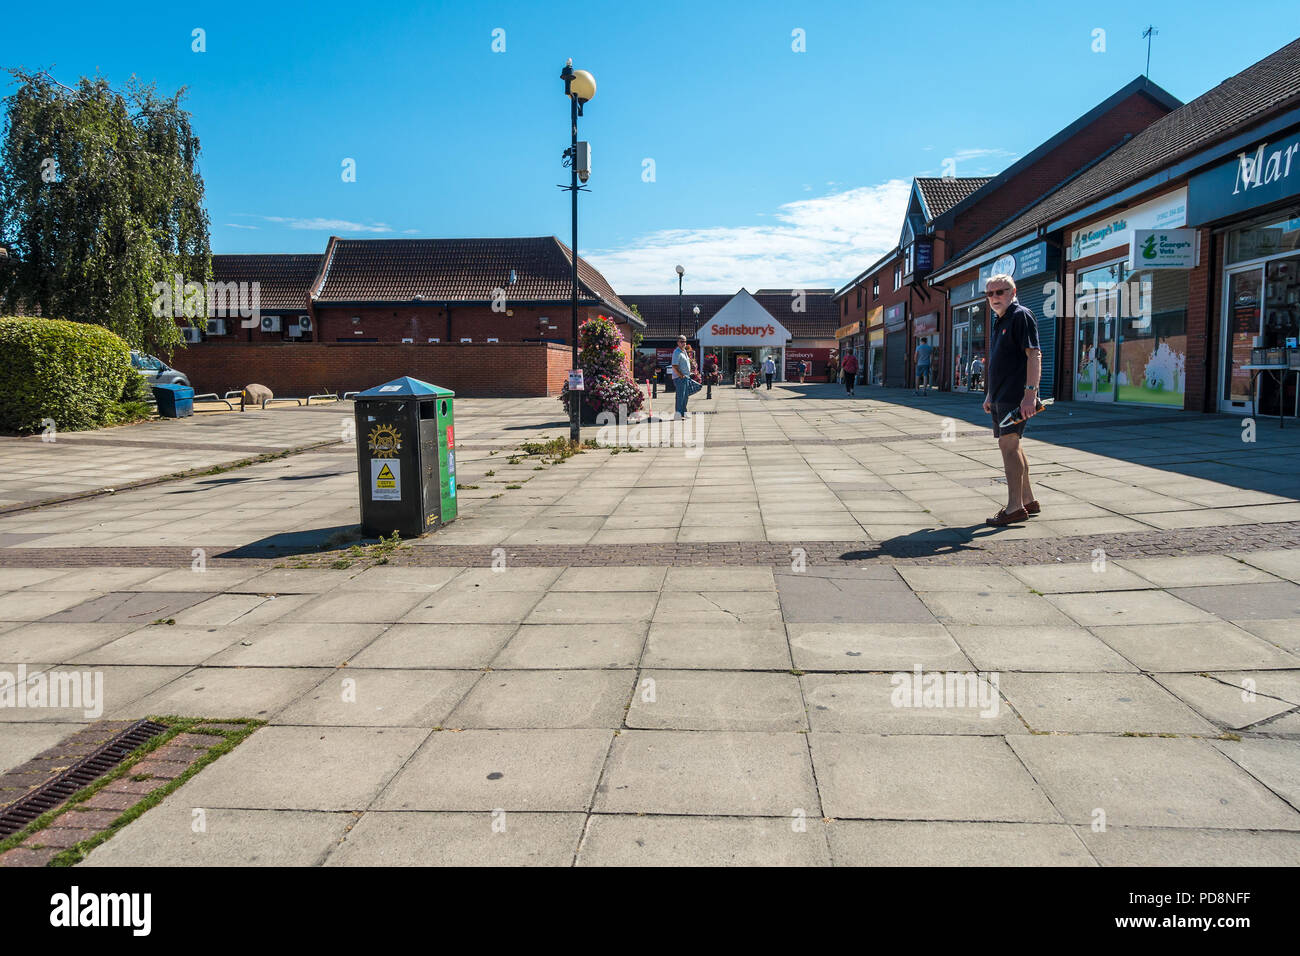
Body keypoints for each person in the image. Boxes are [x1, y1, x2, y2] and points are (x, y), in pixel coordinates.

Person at [981, 274, 1042, 526]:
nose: (995, 297)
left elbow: (1034, 355)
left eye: (1000, 292)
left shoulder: (1020, 315)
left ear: (1013, 291)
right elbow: (1000, 361)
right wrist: (990, 395)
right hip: (1000, 396)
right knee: (1013, 445)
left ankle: (1014, 507)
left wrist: (1030, 395)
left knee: (1009, 446)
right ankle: (1028, 500)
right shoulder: (1000, 320)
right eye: (990, 294)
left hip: (1015, 396)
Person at [671, 335, 694, 418]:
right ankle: (678, 414)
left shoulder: (684, 351)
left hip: (686, 377)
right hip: (680, 378)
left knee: (685, 397)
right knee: (680, 397)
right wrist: (681, 375)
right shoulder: (676, 352)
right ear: (678, 342)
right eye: (681, 341)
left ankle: (684, 413)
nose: (683, 343)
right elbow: (674, 366)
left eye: (684, 341)